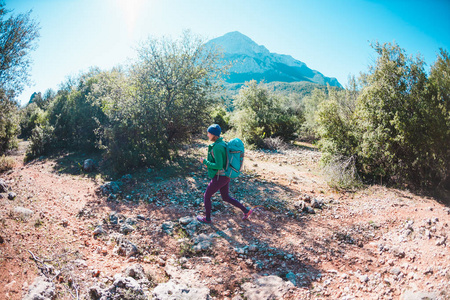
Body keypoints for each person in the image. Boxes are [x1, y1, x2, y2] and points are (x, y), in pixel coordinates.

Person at [196, 124, 253, 224]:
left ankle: (207, 219)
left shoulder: (217, 147)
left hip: (220, 176)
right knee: (225, 197)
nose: (207, 135)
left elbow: (218, 165)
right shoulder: (222, 143)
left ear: (213, 134)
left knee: (207, 196)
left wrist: (204, 162)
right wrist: (209, 165)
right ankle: (246, 211)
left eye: (208, 133)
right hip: (226, 175)